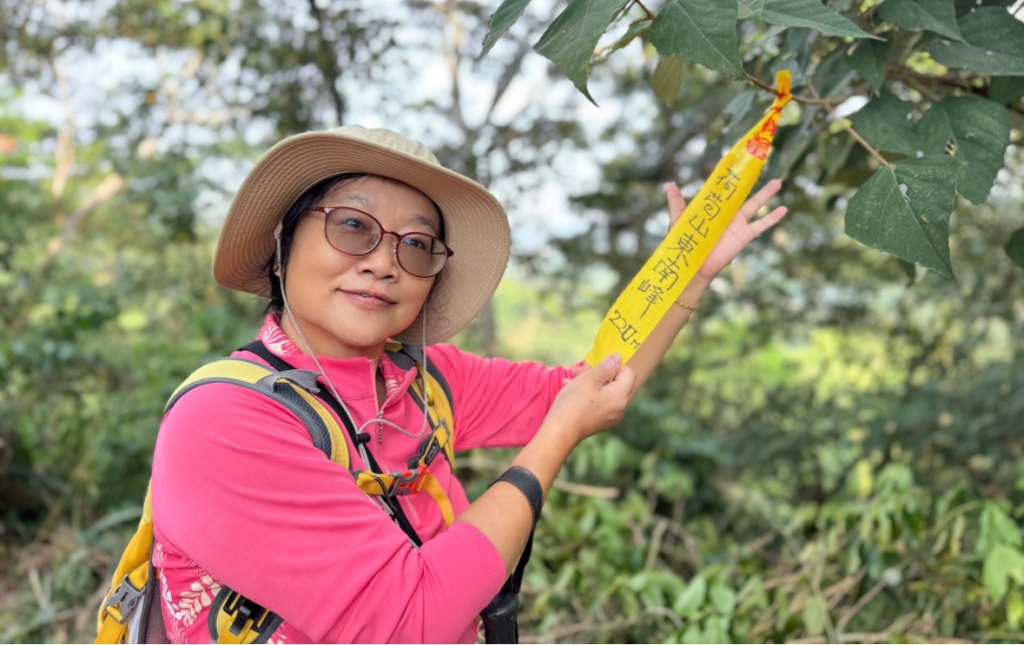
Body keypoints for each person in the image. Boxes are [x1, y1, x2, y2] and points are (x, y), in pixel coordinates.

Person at [149, 125, 786, 643]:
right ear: (282, 245)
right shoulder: (225, 421)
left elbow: (594, 384)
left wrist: (687, 278)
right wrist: (555, 440)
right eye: (352, 225)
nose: (383, 263)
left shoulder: (424, 381)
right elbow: (409, 621)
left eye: (417, 244)